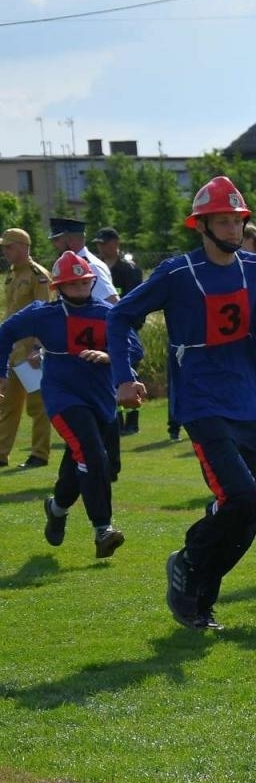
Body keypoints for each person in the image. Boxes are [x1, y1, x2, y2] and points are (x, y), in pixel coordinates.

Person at [109, 175, 256, 631]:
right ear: (201, 226)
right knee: (239, 498)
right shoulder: (177, 273)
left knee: (248, 513)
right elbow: (119, 316)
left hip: (246, 401)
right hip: (200, 402)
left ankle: (199, 601)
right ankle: (188, 558)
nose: (234, 229)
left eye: (238, 221)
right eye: (223, 222)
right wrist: (124, 378)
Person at [0, 253, 141, 558]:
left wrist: (110, 356)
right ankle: (103, 529)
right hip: (63, 398)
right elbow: (5, 333)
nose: (79, 288)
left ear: (93, 282)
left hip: (102, 400)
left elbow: (135, 349)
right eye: (73, 283)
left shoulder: (109, 313)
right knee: (92, 456)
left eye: (84, 282)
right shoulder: (43, 314)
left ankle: (57, 507)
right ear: (59, 287)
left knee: (90, 462)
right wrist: (1, 372)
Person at [1, 227, 54, 469]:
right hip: (12, 352)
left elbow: (45, 313)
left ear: (23, 247)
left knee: (38, 405)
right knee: (7, 405)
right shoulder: (12, 274)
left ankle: (39, 454)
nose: (5, 251)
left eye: (9, 247)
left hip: (29, 352)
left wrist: (38, 347)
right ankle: (1, 454)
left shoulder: (38, 275)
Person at [92, 227, 145, 434]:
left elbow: (137, 300)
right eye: (98, 244)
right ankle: (117, 420)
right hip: (105, 329)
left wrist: (132, 325)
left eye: (104, 243)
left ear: (115, 243)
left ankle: (132, 421)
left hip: (127, 329)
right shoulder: (99, 268)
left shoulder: (128, 269)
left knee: (130, 373)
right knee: (111, 376)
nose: (101, 248)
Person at [48, 217, 117, 305]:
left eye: (56, 239)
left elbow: (112, 303)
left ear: (69, 239)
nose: (54, 244)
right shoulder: (80, 264)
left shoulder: (90, 266)